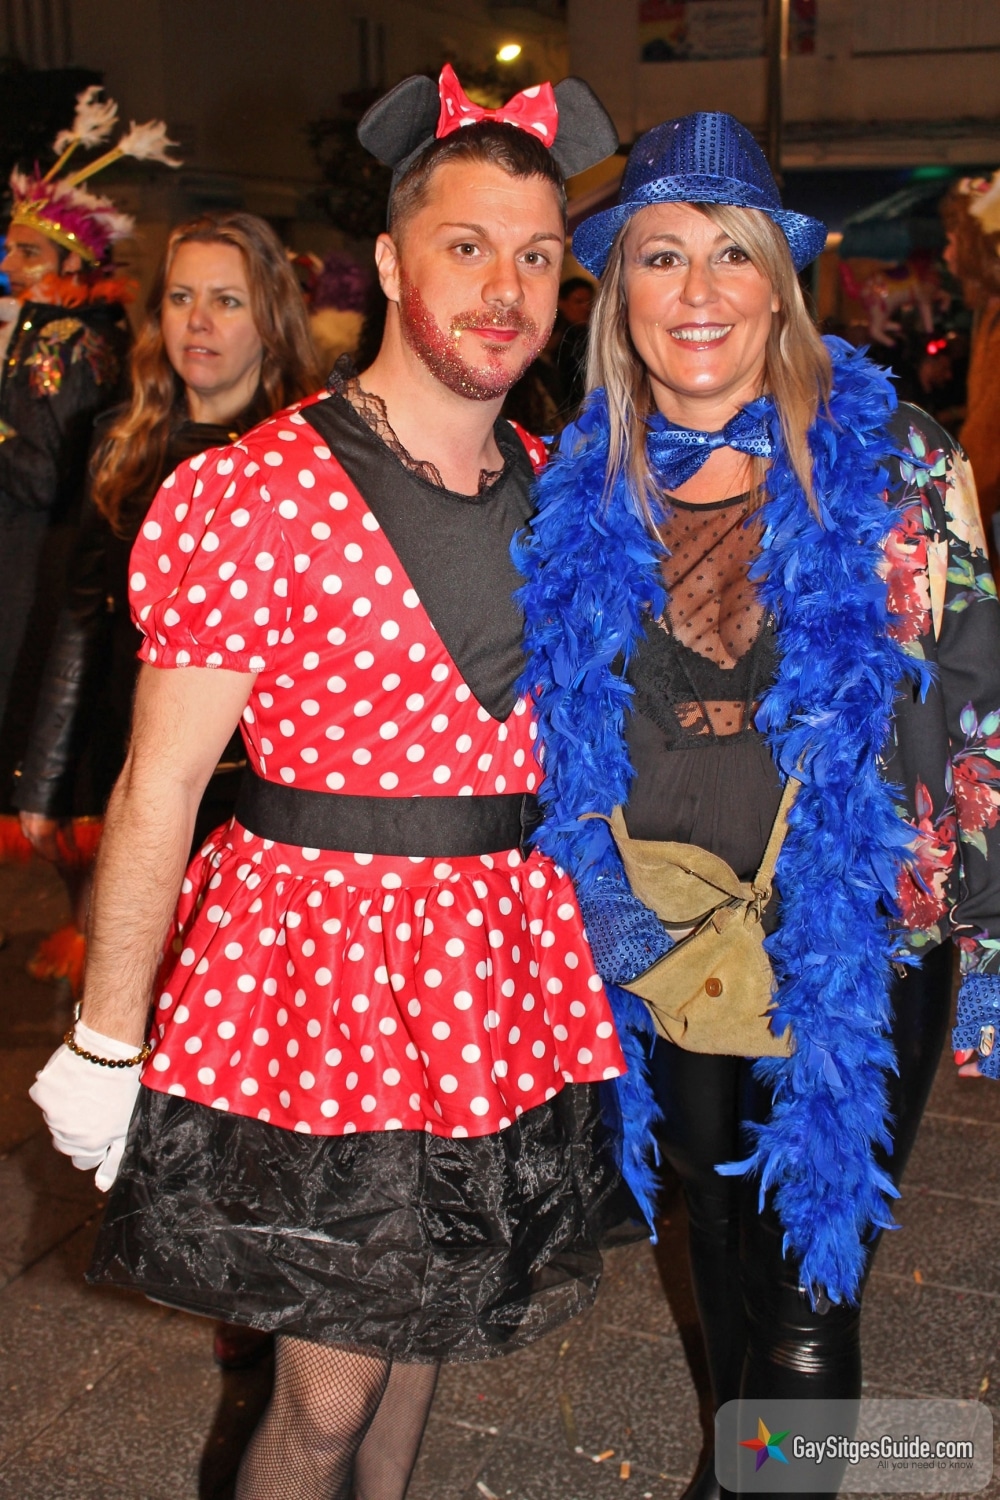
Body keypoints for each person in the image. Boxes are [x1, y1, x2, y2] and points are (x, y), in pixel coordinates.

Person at [29, 64, 623, 1500]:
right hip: (325, 986)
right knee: (325, 1398)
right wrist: (108, 1039)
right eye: (467, 246)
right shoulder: (258, 491)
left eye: (536, 256)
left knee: (430, 1330)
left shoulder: (564, 488)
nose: (505, 290)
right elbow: (160, 782)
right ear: (392, 263)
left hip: (495, 978)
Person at [518, 112, 1000, 1499]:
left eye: (732, 255)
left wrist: (986, 934)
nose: (700, 291)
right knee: (717, 1239)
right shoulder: (574, 483)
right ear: (620, 290)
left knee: (804, 1291)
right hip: (660, 934)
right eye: (662, 256)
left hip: (853, 934)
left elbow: (979, 699)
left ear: (780, 286)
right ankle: (743, 1473)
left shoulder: (893, 460)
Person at [13, 214, 321, 981]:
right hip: (133, 766)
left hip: (257, 793)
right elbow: (83, 616)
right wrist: (46, 783)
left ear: (272, 319)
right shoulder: (122, 438)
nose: (198, 321)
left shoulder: (308, 457)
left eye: (227, 300)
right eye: (181, 297)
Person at [0, 89, 178, 791]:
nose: (11, 261)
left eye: (28, 250)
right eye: (10, 246)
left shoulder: (65, 340)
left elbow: (44, 475)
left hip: (37, 565)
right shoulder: (53, 332)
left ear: (74, 264)